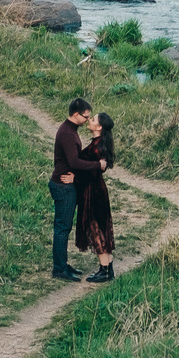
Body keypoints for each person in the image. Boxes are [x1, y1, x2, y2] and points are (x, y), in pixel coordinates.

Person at [50, 97, 101, 281]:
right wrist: (97, 164)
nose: (87, 120)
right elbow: (74, 162)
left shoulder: (70, 130)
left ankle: (62, 264)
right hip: (63, 186)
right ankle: (59, 269)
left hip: (65, 184)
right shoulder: (67, 134)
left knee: (63, 226)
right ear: (76, 114)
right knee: (62, 228)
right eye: (86, 117)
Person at [74, 110, 116, 282]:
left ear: (98, 127)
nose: (89, 121)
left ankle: (104, 270)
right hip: (98, 189)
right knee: (100, 227)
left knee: (95, 228)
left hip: (93, 190)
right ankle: (107, 268)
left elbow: (90, 171)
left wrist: (74, 177)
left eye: (92, 119)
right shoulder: (100, 144)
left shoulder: (96, 147)